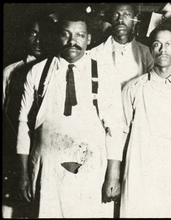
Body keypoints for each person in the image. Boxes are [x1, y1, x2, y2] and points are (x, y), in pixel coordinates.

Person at [15, 10, 124, 218]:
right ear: (58, 36)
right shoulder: (37, 73)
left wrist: (113, 174)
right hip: (47, 171)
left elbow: (115, 128)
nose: (73, 41)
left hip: (91, 169)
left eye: (80, 35)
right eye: (66, 34)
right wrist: (23, 175)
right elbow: (23, 126)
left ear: (89, 39)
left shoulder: (105, 74)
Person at [119, 24, 171, 218]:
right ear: (150, 50)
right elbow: (120, 134)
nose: (163, 50)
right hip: (142, 173)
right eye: (157, 44)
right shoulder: (134, 88)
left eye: (169, 44)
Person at [2, 14, 56, 219]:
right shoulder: (11, 72)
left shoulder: (53, 73)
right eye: (33, 34)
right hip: (13, 153)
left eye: (44, 35)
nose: (38, 40)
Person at [90, 3, 154, 88]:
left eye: (126, 15)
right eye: (115, 15)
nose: (120, 19)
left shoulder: (147, 53)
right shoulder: (95, 53)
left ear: (135, 19)